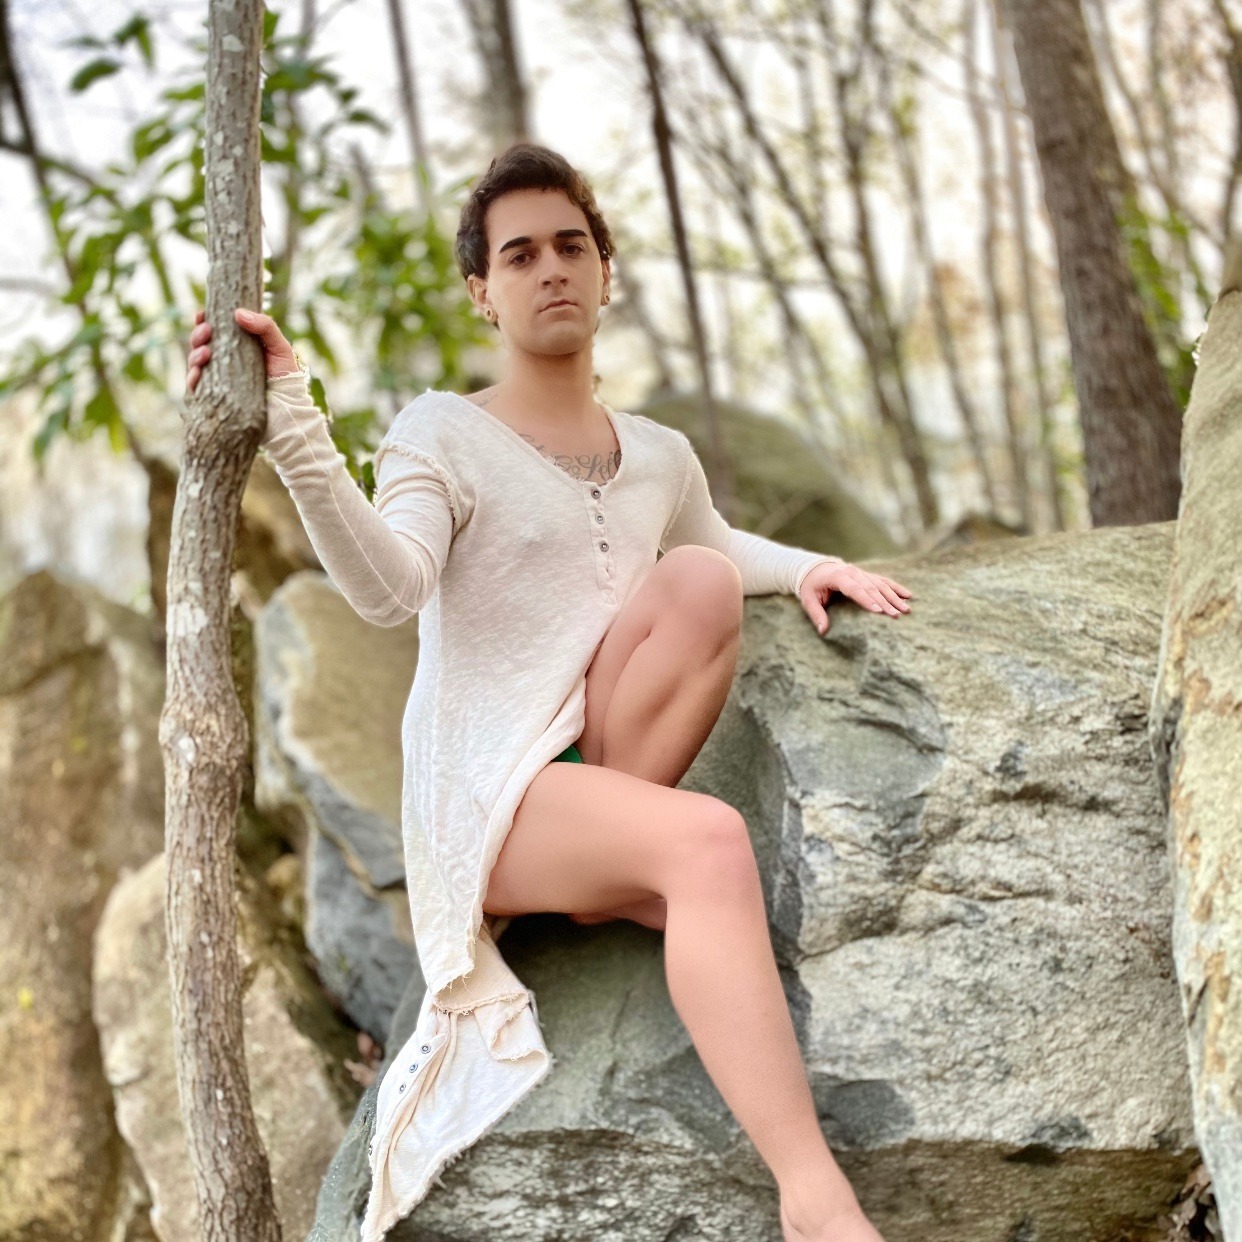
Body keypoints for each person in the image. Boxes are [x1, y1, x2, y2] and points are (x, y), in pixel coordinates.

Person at [186, 142, 910, 1242]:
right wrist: (293, 424)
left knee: (700, 583)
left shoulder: (659, 454)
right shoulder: (442, 433)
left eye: (572, 245)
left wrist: (814, 567)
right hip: (491, 794)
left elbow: (717, 546)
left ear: (605, 272)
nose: (551, 267)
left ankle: (620, 864)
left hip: (594, 761)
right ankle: (816, 1200)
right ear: (483, 292)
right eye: (519, 255)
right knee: (711, 843)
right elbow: (388, 589)